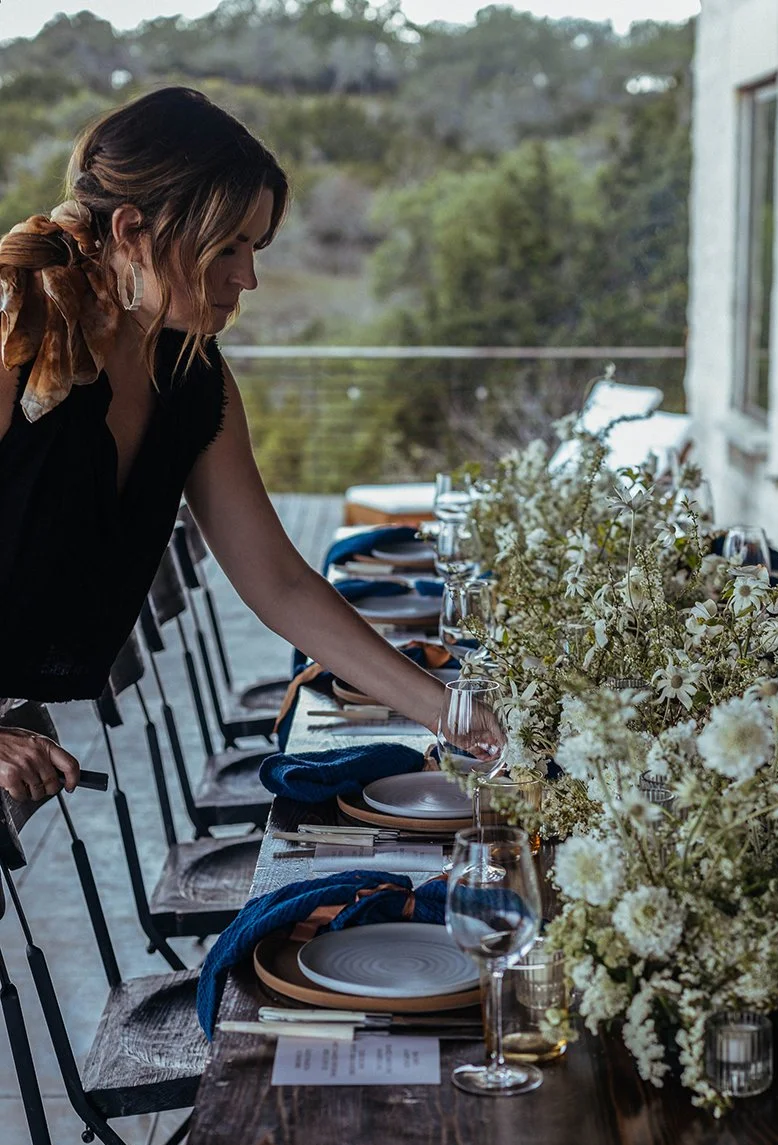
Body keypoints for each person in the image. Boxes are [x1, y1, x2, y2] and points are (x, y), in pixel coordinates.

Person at [0, 86, 450, 803]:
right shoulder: (14, 342)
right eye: (226, 246)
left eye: (255, 246)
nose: (248, 277)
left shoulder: (190, 374)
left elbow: (278, 583)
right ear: (132, 231)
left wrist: (454, 715)